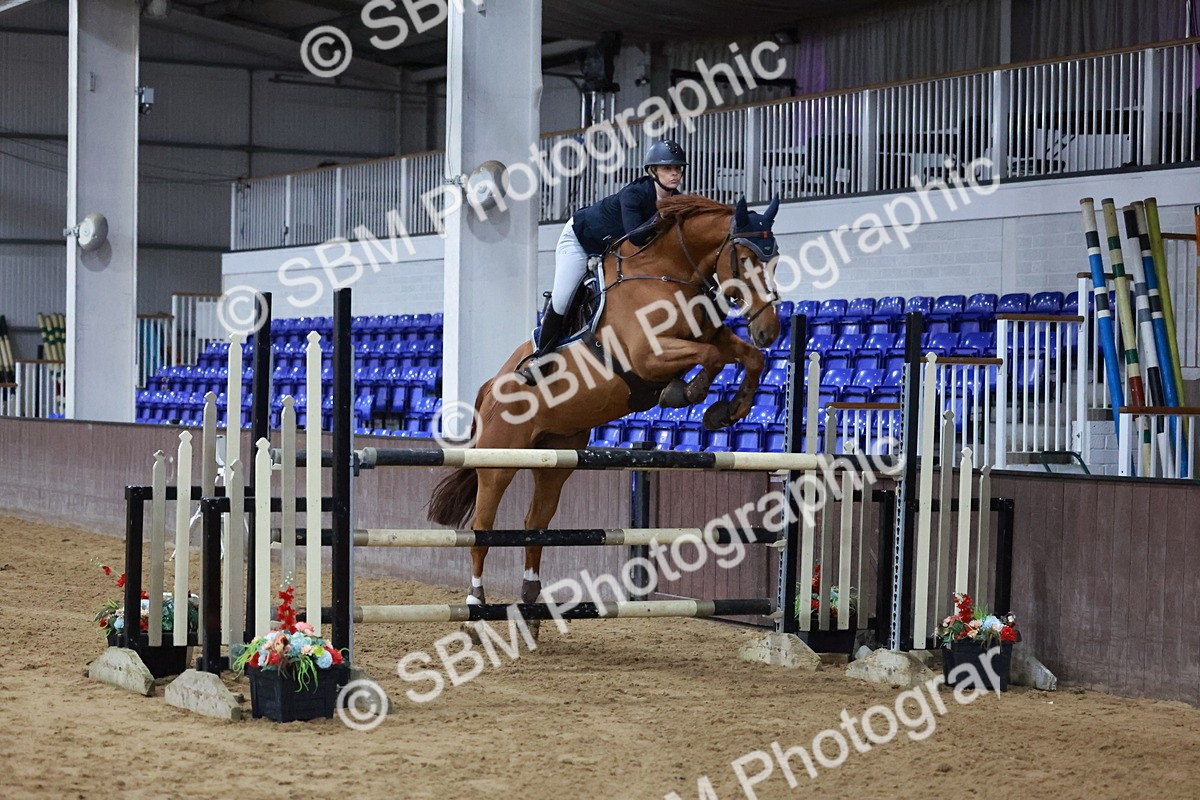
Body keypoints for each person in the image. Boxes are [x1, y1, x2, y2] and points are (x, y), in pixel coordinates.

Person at [521, 139, 687, 381]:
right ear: (653, 171)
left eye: (678, 168)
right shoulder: (634, 194)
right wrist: (664, 216)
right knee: (563, 297)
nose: (674, 174)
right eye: (667, 169)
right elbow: (636, 238)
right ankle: (541, 360)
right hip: (580, 239)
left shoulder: (676, 200)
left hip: (612, 249)